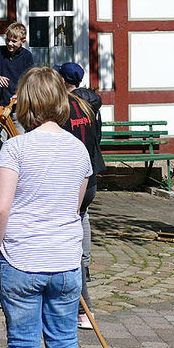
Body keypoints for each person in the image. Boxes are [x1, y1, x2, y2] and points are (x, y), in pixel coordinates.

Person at [0, 66, 99, 348]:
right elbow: (76, 205)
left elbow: (0, 209)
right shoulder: (79, 149)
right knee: (66, 347)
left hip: (22, 259)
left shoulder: (15, 147)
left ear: (27, 102)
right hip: (66, 262)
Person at [54, 62, 106, 330]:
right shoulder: (90, 106)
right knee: (81, 222)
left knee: (67, 241)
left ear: (63, 81)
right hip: (91, 177)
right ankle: (84, 268)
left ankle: (82, 309)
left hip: (73, 180)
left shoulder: (63, 108)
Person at [0, 22, 34, 198]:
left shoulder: (27, 57)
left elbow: (30, 81)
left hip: (19, 109)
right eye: (8, 40)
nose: (10, 44)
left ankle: (18, 188)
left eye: (14, 41)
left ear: (23, 41)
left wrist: (21, 94)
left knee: (19, 149)